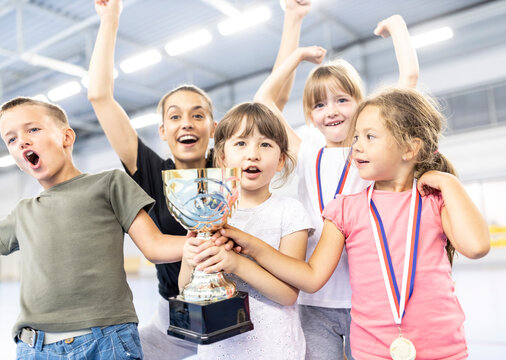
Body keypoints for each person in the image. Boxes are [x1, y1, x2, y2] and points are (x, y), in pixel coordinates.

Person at [88, 0, 312, 358]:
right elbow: (100, 97)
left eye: (197, 114)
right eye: (175, 117)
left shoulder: (229, 169)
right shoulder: (150, 171)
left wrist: (292, 18)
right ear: (163, 130)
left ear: (215, 127)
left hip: (239, 306)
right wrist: (110, 16)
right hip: (175, 311)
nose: (187, 123)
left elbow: (271, 109)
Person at [201, 88, 491, 359]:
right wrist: (252, 246)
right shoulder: (345, 209)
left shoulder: (434, 200)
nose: (356, 148)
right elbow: (311, 278)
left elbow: (476, 246)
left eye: (369, 137)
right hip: (371, 347)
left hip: (442, 345)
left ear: (410, 148)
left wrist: (448, 183)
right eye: (356, 138)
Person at [253, 14, 419, 360]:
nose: (331, 111)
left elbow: (409, 81)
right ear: (310, 114)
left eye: (342, 100)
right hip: (315, 297)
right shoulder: (307, 149)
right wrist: (295, 57)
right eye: (319, 104)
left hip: (366, 294)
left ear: (360, 105)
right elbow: (264, 100)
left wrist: (398, 30)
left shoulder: (373, 149)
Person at [0, 97, 189, 359]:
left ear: (67, 137)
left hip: (107, 341)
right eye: (11, 139)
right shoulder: (22, 212)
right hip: (35, 347)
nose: (22, 141)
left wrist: (203, 241)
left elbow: (154, 246)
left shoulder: (109, 183)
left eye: (33, 129)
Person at [180, 102, 313, 359]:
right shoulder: (207, 211)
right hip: (220, 346)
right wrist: (189, 257)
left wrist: (237, 264)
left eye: (265, 144)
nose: (253, 154)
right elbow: (186, 287)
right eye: (241, 143)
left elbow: (288, 295)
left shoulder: (291, 212)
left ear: (281, 159)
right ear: (222, 158)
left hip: (274, 345)